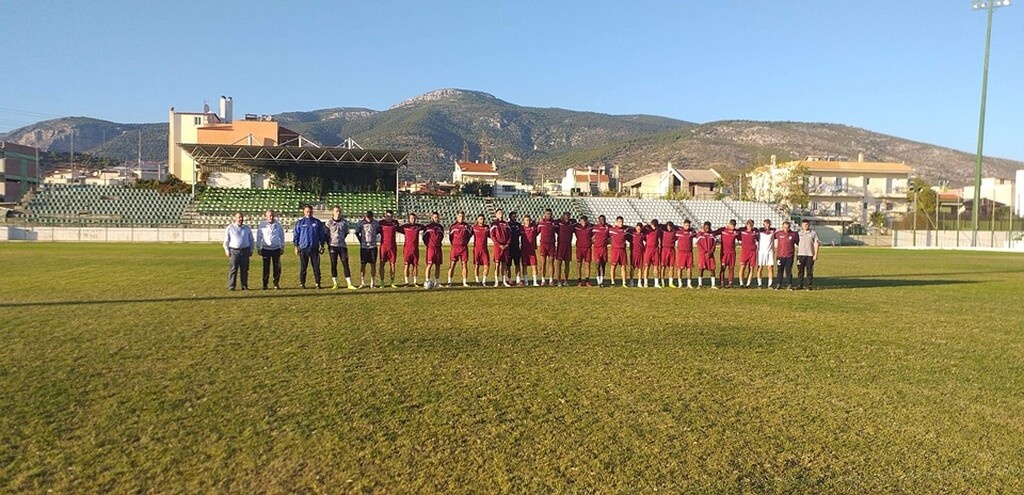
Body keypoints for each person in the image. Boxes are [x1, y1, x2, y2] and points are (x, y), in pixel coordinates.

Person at [293, 205, 326, 289]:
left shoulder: (317, 222)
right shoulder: (300, 223)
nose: (309, 213)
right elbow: (296, 235)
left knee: (316, 267)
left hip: (314, 248)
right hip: (303, 248)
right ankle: (302, 283)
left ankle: (317, 283)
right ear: (304, 212)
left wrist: (322, 245)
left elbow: (321, 235)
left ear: (312, 212)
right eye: (307, 211)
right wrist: (296, 246)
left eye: (310, 211)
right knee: (303, 268)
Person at [325, 207, 355, 290]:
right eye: (336, 211)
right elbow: (326, 234)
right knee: (333, 264)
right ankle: (335, 283)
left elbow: (345, 233)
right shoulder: (329, 223)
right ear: (333, 212)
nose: (338, 213)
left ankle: (349, 283)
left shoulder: (344, 222)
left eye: (339, 211)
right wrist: (329, 244)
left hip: (342, 246)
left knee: (345, 264)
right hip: (332, 246)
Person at [255, 209, 284, 290]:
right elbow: (259, 237)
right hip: (265, 249)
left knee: (277, 267)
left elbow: (282, 237)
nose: (271, 217)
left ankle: (276, 283)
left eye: (272, 215)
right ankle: (265, 284)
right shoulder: (262, 225)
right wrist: (258, 247)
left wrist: (282, 247)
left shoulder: (278, 225)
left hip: (276, 249)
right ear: (266, 216)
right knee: (266, 268)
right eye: (269, 215)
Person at [223, 212, 253, 291]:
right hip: (234, 251)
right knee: (233, 269)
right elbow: (226, 240)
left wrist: (251, 249)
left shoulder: (247, 228)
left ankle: (244, 286)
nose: (241, 219)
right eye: (239, 217)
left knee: (245, 269)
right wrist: (226, 250)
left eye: (242, 217)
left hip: (245, 250)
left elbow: (251, 240)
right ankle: (231, 286)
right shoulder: (230, 228)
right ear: (235, 218)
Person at [355, 210, 381, 289]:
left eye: (370, 217)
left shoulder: (376, 223)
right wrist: (361, 241)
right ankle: (362, 282)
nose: (369, 219)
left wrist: (373, 237)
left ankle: (372, 283)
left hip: (373, 247)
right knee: (363, 265)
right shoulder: (361, 223)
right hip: (364, 247)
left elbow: (378, 231)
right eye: (367, 217)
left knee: (373, 264)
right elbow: (357, 232)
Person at [446, 211, 472, 287]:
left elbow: (469, 236)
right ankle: (449, 281)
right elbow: (451, 238)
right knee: (452, 265)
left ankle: (464, 282)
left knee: (464, 265)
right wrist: (454, 244)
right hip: (455, 248)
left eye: (463, 216)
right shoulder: (453, 226)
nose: (461, 218)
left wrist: (464, 243)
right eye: (460, 216)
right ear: (457, 217)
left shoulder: (467, 226)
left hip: (464, 248)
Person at [400, 213, 425, 287]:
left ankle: (415, 282)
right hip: (407, 250)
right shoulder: (405, 227)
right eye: (411, 218)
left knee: (415, 266)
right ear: (409, 219)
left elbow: (425, 227)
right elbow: (397, 229)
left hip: (415, 250)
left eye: (414, 218)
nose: (413, 220)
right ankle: (406, 282)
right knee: (406, 265)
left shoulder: (418, 226)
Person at [489, 208, 512, 287]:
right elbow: (492, 235)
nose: (500, 214)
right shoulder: (494, 224)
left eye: (501, 213)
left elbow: (510, 235)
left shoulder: (506, 224)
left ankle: (504, 281)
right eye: (499, 213)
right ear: (496, 214)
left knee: (504, 264)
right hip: (497, 247)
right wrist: (498, 244)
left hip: (505, 247)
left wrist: (507, 244)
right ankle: (496, 281)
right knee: (497, 263)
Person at [773, 221, 799, 290]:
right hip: (780, 256)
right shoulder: (778, 233)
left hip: (789, 256)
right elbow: (770, 237)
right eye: (784, 227)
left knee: (788, 271)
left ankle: (789, 284)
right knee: (779, 271)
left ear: (789, 227)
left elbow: (799, 243)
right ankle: (778, 284)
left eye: (787, 227)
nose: (786, 229)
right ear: (782, 227)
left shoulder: (793, 234)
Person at [378, 211, 401, 288]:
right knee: (382, 264)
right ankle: (382, 282)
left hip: (393, 247)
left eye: (391, 216)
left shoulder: (395, 223)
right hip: (383, 247)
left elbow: (400, 229)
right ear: (385, 216)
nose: (389, 218)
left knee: (393, 265)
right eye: (388, 216)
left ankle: (392, 282)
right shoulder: (381, 223)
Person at [422, 212, 445, 288]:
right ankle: (427, 281)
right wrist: (429, 245)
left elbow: (441, 237)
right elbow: (424, 238)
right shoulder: (428, 227)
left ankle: (437, 282)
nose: (436, 219)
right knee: (429, 265)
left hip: (438, 248)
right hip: (431, 248)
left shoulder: (441, 227)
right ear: (432, 218)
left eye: (437, 217)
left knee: (438, 265)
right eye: (435, 217)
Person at [796, 219, 821, 290]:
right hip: (800, 255)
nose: (805, 226)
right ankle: (799, 285)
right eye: (804, 225)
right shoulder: (798, 233)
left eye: (806, 225)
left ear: (809, 225)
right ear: (801, 225)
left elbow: (816, 244)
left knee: (809, 271)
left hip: (809, 255)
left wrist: (815, 254)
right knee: (800, 271)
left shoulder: (813, 233)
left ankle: (809, 285)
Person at [716, 220, 740, 288]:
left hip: (732, 253)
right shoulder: (723, 230)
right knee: (723, 268)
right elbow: (713, 233)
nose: (733, 227)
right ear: (729, 224)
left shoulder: (735, 232)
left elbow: (741, 237)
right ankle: (722, 282)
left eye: (734, 226)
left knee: (731, 268)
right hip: (724, 253)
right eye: (732, 225)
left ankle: (730, 283)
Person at [673, 219, 697, 288]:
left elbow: (696, 234)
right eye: (686, 225)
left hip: (689, 253)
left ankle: (689, 283)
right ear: (683, 225)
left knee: (689, 268)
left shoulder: (691, 232)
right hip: (681, 253)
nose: (687, 227)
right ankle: (680, 283)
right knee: (680, 269)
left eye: (688, 225)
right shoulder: (678, 232)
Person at [554, 212, 576, 287]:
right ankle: (559, 280)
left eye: (568, 217)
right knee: (559, 263)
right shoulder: (558, 223)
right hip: (560, 245)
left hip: (568, 245)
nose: (567, 219)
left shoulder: (572, 223)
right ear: (563, 217)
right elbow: (553, 226)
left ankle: (566, 280)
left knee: (567, 263)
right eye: (565, 217)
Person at [520, 214, 541, 286]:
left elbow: (539, 226)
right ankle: (526, 281)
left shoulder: (533, 228)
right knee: (524, 266)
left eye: (529, 220)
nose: (528, 222)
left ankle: (535, 281)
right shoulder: (521, 228)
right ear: (524, 221)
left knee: (534, 265)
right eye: (526, 220)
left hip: (532, 250)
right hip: (524, 250)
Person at [608, 216, 629, 287]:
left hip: (623, 250)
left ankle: (624, 282)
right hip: (615, 250)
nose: (621, 223)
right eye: (620, 222)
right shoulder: (611, 230)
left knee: (623, 267)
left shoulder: (625, 230)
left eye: (622, 222)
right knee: (613, 266)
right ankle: (612, 282)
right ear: (616, 222)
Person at [695, 221, 717, 288]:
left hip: (710, 255)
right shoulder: (700, 234)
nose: (707, 229)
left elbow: (714, 244)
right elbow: (698, 244)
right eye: (706, 227)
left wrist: (711, 252)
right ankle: (700, 284)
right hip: (702, 255)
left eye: (708, 228)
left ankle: (713, 285)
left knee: (712, 269)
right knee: (701, 269)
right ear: (704, 227)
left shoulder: (712, 235)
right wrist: (704, 252)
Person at [573, 215, 594, 286]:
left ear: (587, 221)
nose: (584, 223)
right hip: (579, 248)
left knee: (587, 265)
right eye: (582, 221)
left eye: (585, 221)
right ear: (580, 221)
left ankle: (587, 281)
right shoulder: (576, 226)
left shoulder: (591, 227)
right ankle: (579, 281)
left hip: (588, 248)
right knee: (579, 265)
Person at [738, 219, 759, 288]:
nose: (750, 226)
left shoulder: (755, 232)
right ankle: (741, 283)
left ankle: (748, 284)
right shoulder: (742, 231)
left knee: (751, 268)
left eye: (751, 225)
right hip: (744, 251)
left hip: (752, 252)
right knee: (742, 267)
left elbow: (758, 238)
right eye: (749, 225)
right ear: (746, 225)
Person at [756, 219, 777, 288]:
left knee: (770, 268)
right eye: (766, 224)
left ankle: (770, 284)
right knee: (760, 267)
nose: (767, 225)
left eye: (768, 224)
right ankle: (759, 284)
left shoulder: (773, 231)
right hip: (761, 252)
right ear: (763, 224)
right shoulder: (760, 231)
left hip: (770, 252)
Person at [471, 214, 491, 286]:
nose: (481, 220)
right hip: (476, 249)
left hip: (484, 249)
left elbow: (491, 236)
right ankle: (477, 281)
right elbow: (468, 235)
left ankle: (484, 281)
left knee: (487, 265)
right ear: (477, 220)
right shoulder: (474, 227)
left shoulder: (487, 227)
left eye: (483, 219)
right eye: (480, 219)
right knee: (476, 266)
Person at [591, 215, 611, 287]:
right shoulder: (594, 227)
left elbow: (611, 236)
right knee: (597, 264)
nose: (602, 221)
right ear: (598, 220)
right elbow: (591, 237)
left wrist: (607, 242)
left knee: (603, 265)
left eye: (604, 219)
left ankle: (601, 281)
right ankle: (598, 281)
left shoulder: (608, 227)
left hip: (604, 249)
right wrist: (594, 242)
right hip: (596, 249)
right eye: (601, 219)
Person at [507, 211, 525, 286]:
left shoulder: (518, 225)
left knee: (517, 264)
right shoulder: (507, 225)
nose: (514, 218)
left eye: (515, 216)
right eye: (513, 216)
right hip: (509, 248)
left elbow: (523, 233)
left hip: (516, 247)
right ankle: (509, 280)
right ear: (510, 217)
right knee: (508, 265)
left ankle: (518, 280)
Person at [642, 219, 661, 288]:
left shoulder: (658, 230)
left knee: (656, 267)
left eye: (655, 226)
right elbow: (641, 229)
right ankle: (645, 283)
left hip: (655, 250)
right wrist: (648, 224)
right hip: (648, 250)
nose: (654, 227)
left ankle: (656, 283)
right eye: (653, 225)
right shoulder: (646, 230)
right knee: (646, 267)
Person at [659, 221, 677, 287]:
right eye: (668, 226)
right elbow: (659, 225)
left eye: (670, 226)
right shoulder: (662, 232)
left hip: (671, 250)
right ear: (666, 226)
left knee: (671, 267)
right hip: (664, 250)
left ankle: (671, 282)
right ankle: (662, 281)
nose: (669, 228)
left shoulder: (674, 232)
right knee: (663, 266)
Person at [628, 222, 646, 287]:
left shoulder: (643, 235)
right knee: (632, 268)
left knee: (640, 268)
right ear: (635, 228)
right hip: (633, 253)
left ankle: (639, 282)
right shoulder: (631, 234)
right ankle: (631, 282)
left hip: (640, 253)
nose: (638, 230)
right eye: (637, 229)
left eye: (640, 229)